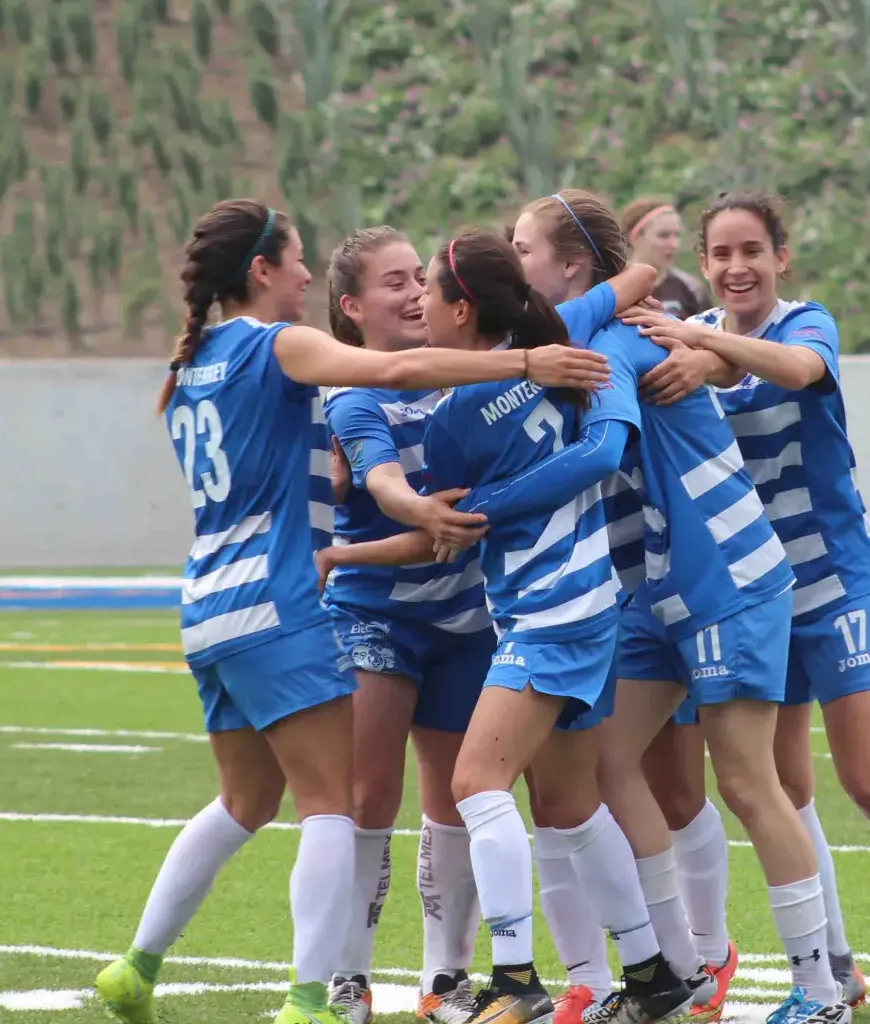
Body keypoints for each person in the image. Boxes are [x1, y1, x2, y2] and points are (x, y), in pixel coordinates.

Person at [92, 200, 610, 1024]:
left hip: (209, 605)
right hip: (281, 602)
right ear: (261, 272)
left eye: (418, 278)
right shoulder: (280, 345)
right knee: (335, 805)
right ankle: (316, 996)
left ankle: (135, 967)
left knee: (244, 804)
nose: (304, 274)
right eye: (295, 261)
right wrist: (527, 366)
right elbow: (396, 376)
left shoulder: (188, 365)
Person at [628, 190, 870, 1018]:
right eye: (720, 254)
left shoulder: (805, 324)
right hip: (757, 595)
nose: (736, 267)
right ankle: (834, 967)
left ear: (781, 257)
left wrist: (698, 337)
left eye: (751, 250)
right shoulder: (699, 352)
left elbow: (798, 372)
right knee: (783, 786)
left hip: (834, 580)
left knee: (869, 782)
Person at [323, 228, 693, 1024]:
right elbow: (626, 287)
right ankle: (656, 974)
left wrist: (342, 553)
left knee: (472, 785)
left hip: (545, 612)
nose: (420, 298)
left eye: (426, 285)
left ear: (463, 310)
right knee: (570, 802)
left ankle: (515, 977)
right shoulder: (564, 345)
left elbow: (444, 528)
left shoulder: (457, 419)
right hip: (597, 600)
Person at [517, 190, 844, 1024]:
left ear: (573, 267)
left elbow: (601, 452)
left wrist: (490, 499)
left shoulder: (620, 337)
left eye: (523, 250)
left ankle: (819, 989)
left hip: (722, 575)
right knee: (605, 765)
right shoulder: (580, 337)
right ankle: (679, 967)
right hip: (656, 588)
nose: (513, 264)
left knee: (746, 781)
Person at [314, 227, 494, 1024]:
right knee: (367, 797)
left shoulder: (465, 374)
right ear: (352, 309)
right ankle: (347, 977)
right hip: (375, 614)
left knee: (456, 799)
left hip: (463, 616)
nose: (417, 291)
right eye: (394, 282)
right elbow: (385, 481)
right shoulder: (353, 395)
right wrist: (416, 518)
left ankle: (443, 981)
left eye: (420, 276)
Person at [620, 197, 709, 318]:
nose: (674, 244)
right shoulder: (613, 285)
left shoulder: (691, 289)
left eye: (677, 235)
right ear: (635, 238)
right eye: (664, 235)